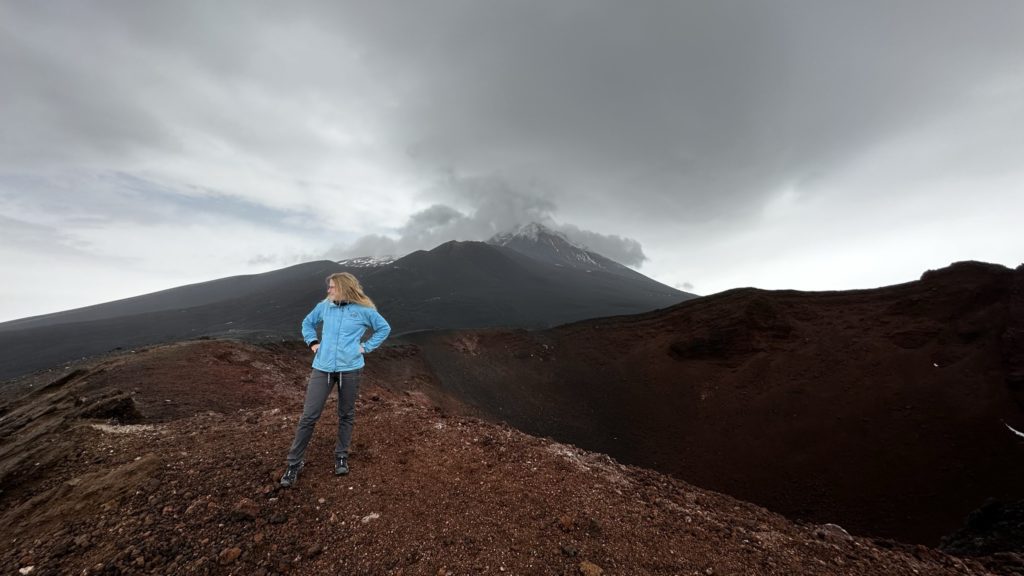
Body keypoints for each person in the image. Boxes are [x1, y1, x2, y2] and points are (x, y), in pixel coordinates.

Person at [280, 272, 391, 487]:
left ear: (344, 288)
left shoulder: (363, 310)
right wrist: (313, 342)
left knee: (346, 414)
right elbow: (307, 323)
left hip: (350, 368)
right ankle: (294, 463)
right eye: (329, 287)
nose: (328, 290)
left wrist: (365, 347)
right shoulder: (325, 306)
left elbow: (384, 328)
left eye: (332, 287)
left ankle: (341, 455)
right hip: (322, 368)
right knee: (309, 416)